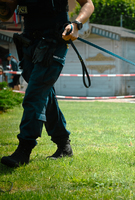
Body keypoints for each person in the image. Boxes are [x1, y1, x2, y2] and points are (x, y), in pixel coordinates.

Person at [0, 0, 94, 168]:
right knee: (44, 93)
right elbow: (6, 13)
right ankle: (64, 145)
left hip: (54, 40)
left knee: (35, 93)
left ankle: (24, 149)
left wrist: (76, 24)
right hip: (28, 42)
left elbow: (88, 3)